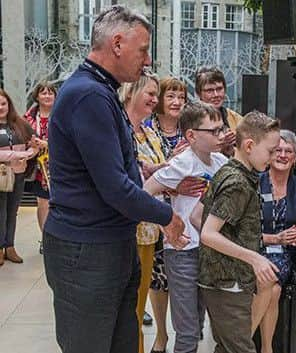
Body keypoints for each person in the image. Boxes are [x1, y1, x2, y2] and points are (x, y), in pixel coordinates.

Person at [43, 6, 186, 353]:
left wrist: (142, 169)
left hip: (108, 243)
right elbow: (114, 187)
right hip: (88, 250)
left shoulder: (98, 90)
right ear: (117, 43)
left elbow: (108, 166)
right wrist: (167, 216)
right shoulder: (89, 95)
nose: (148, 60)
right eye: (143, 50)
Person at [190, 111, 281, 353]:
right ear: (249, 145)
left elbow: (196, 216)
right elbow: (208, 233)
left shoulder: (226, 171)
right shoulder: (238, 183)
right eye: (271, 151)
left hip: (219, 279)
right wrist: (253, 257)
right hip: (228, 283)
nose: (274, 158)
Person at [144, 101, 229, 353]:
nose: (220, 135)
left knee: (200, 322)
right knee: (187, 329)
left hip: (211, 252)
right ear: (191, 135)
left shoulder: (221, 162)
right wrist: (166, 222)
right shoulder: (182, 163)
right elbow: (146, 192)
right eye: (213, 131)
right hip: (183, 253)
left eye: (221, 129)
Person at [147, 77, 206, 353]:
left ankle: (188, 333)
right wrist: (172, 176)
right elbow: (143, 173)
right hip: (154, 215)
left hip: (186, 218)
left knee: (185, 289)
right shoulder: (145, 130)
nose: (176, 102)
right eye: (171, 96)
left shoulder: (190, 131)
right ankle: (161, 334)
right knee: (158, 279)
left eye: (181, 97)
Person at [252, 129, 296, 353]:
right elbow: (243, 231)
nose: (283, 155)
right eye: (278, 150)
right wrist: (273, 238)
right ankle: (263, 348)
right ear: (269, 154)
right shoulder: (255, 183)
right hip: (255, 250)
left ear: (295, 158)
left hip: (284, 254)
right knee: (274, 290)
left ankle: (246, 345)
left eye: (289, 151)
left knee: (271, 283)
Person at [119, 74, 165, 353]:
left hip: (148, 229)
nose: (155, 100)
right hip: (125, 228)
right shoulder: (119, 129)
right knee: (127, 304)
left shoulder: (147, 131)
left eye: (156, 95)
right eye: (149, 93)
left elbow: (150, 170)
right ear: (130, 92)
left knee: (138, 302)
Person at [0, 89, 40, 265]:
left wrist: (29, 153)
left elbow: (35, 145)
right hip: (0, 178)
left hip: (18, 176)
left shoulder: (21, 124)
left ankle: (10, 247)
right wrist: (17, 156)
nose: (0, 107)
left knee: (12, 212)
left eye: (3, 103)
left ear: (9, 104)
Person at [24, 81, 57, 254]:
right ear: (37, 96)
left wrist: (47, 144)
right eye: (43, 93)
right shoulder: (28, 117)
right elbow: (20, 135)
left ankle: (57, 238)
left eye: (50, 92)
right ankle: (45, 239)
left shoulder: (62, 115)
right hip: (37, 169)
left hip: (59, 167)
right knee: (42, 203)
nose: (47, 96)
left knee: (57, 203)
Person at [195, 66, 243, 156]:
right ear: (199, 93)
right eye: (210, 90)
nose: (216, 95)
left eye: (219, 89)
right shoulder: (191, 119)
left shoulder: (236, 119)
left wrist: (233, 147)